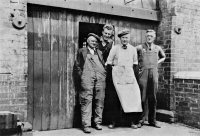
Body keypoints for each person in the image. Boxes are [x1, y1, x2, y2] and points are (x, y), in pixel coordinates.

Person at [106, 29, 142, 129]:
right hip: (117, 77)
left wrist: (135, 78)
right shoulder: (115, 48)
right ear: (120, 38)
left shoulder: (133, 49)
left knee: (130, 99)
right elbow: (109, 62)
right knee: (115, 99)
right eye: (123, 38)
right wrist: (111, 78)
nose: (125, 39)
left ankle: (131, 122)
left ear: (129, 38)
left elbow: (135, 64)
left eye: (126, 37)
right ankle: (113, 122)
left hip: (129, 77)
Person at [75, 33, 106, 133]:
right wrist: (82, 76)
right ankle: (86, 125)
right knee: (86, 99)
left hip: (100, 78)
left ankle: (97, 122)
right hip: (87, 77)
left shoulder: (99, 52)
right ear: (88, 41)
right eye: (92, 41)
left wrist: (103, 73)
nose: (94, 43)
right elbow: (77, 66)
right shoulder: (82, 51)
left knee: (99, 99)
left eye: (96, 41)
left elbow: (103, 64)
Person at [136, 29, 166, 128]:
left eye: (151, 36)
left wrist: (157, 62)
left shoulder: (157, 48)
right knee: (142, 97)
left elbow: (163, 57)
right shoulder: (140, 47)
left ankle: (152, 120)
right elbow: (132, 54)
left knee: (153, 97)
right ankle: (141, 119)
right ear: (145, 36)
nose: (149, 37)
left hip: (154, 73)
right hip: (143, 73)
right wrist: (138, 65)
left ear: (154, 37)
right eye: (148, 35)